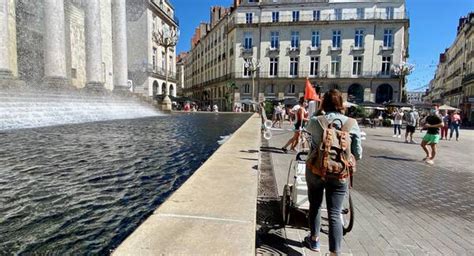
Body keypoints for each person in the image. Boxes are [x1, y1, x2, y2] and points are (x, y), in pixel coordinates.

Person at [304, 89, 362, 254]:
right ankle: (334, 252)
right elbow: (358, 153)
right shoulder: (352, 123)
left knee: (315, 205)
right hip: (339, 173)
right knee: (335, 213)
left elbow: (307, 128)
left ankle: (314, 241)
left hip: (315, 170)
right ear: (341, 104)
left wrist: (318, 111)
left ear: (324, 103)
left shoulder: (317, 121)